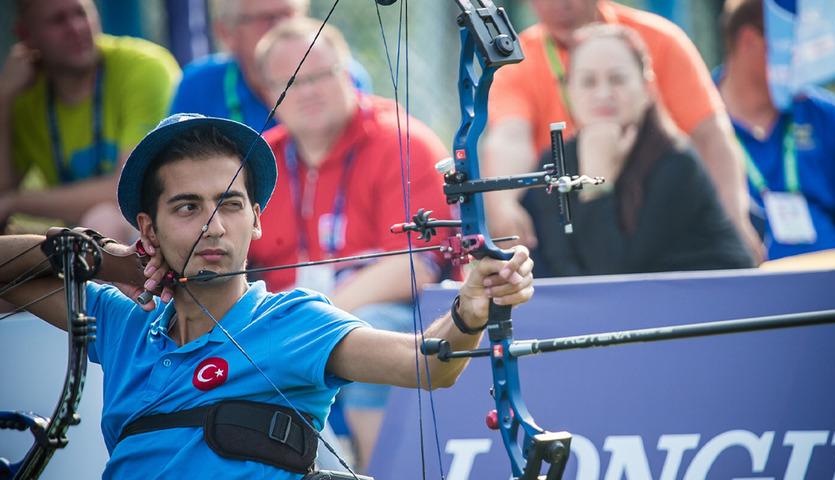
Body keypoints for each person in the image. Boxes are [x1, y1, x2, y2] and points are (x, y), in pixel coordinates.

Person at [0, 113, 535, 479]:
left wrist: (470, 308)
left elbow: (428, 366)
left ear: (256, 220)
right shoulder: (123, 324)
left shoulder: (293, 320)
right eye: (187, 207)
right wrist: (121, 260)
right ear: (150, 226)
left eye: (230, 204)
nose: (213, 226)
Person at [251, 18, 454, 470]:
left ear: (348, 72)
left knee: (367, 325)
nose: (308, 91)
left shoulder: (403, 140)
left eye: (320, 75)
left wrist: (314, 313)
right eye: (291, 83)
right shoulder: (258, 162)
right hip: (287, 325)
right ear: (268, 93)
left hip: (389, 313)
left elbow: (414, 266)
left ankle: (375, 471)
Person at [483, 0, 761, 260]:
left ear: (646, 85)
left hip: (653, 204)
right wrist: (503, 203)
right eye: (588, 82)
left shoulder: (662, 42)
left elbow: (712, 135)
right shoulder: (517, 61)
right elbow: (508, 138)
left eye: (617, 79)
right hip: (574, 201)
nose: (559, 4)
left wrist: (735, 215)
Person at [0, 0, 180, 240]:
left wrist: (15, 202)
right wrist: (3, 101)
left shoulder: (144, 68)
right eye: (58, 20)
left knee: (102, 219)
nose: (76, 28)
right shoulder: (23, 97)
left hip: (156, 223)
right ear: (25, 35)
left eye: (81, 13)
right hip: (83, 239)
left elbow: (128, 187)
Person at [717, 0, 835, 260]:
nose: (806, 55)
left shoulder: (830, 116)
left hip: (830, 289)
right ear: (749, 40)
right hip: (738, 289)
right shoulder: (696, 119)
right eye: (794, 41)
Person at [169, 0, 371, 131]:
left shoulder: (339, 73)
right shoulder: (199, 85)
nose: (283, 26)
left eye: (289, 13)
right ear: (226, 32)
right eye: (266, 19)